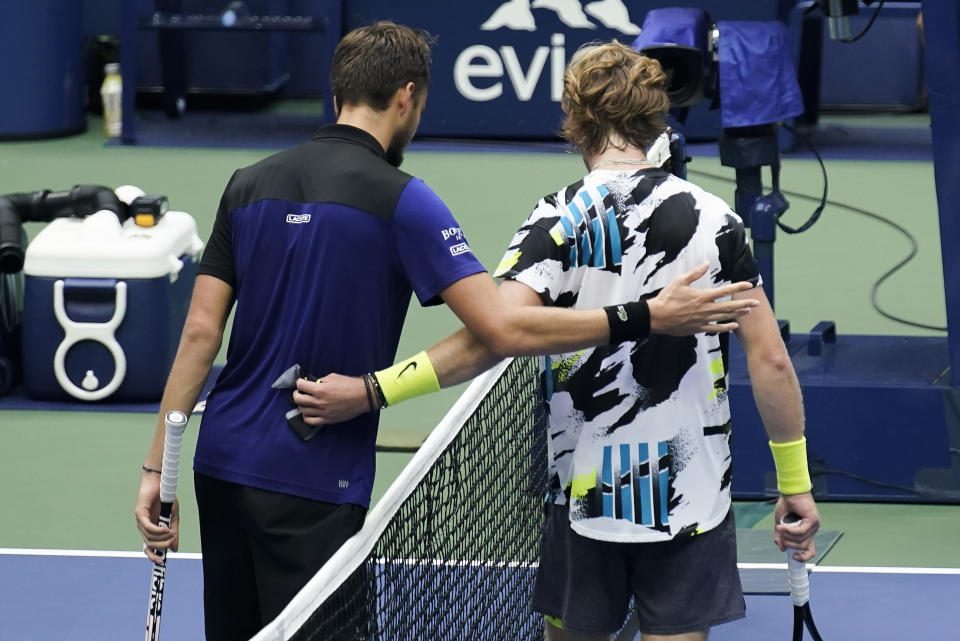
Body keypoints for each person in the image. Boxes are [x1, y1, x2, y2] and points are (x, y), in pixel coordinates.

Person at [134, 23, 759, 641]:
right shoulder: (404, 200)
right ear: (407, 96)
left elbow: (199, 335)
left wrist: (157, 469)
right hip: (313, 475)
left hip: (220, 464)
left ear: (336, 94)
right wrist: (647, 314)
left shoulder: (246, 184)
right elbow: (499, 327)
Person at [296, 42, 821, 641]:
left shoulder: (556, 221)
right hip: (690, 498)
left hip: (580, 499)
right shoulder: (717, 221)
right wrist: (795, 483)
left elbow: (490, 338)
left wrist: (374, 391)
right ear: (656, 119)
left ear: (575, 120)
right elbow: (771, 361)